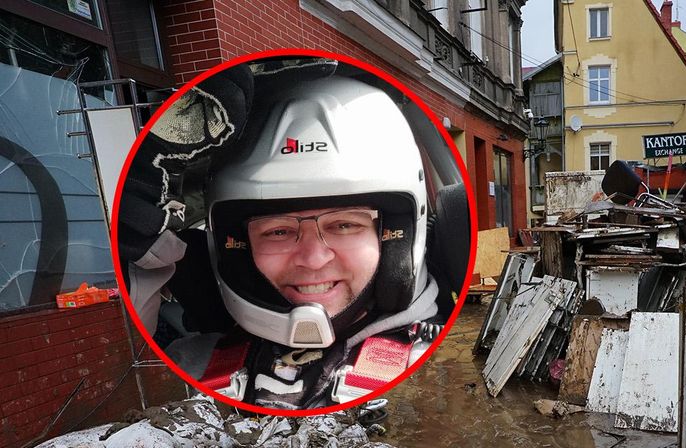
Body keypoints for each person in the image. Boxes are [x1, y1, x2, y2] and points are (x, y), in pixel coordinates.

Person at [121, 63, 465, 409]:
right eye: (278, 231)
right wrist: (135, 260)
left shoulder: (446, 371)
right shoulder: (189, 364)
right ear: (236, 247)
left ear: (395, 238)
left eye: (345, 225)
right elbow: (126, 380)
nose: (314, 259)